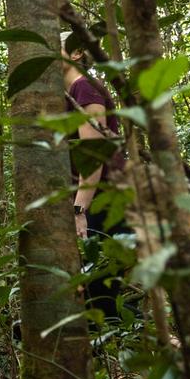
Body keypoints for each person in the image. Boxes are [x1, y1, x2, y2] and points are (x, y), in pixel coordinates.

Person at [61, 32, 131, 324]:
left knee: (102, 291)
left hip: (105, 200)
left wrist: (80, 210)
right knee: (97, 290)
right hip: (96, 200)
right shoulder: (69, 95)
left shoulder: (84, 89)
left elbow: (94, 156)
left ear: (76, 53)